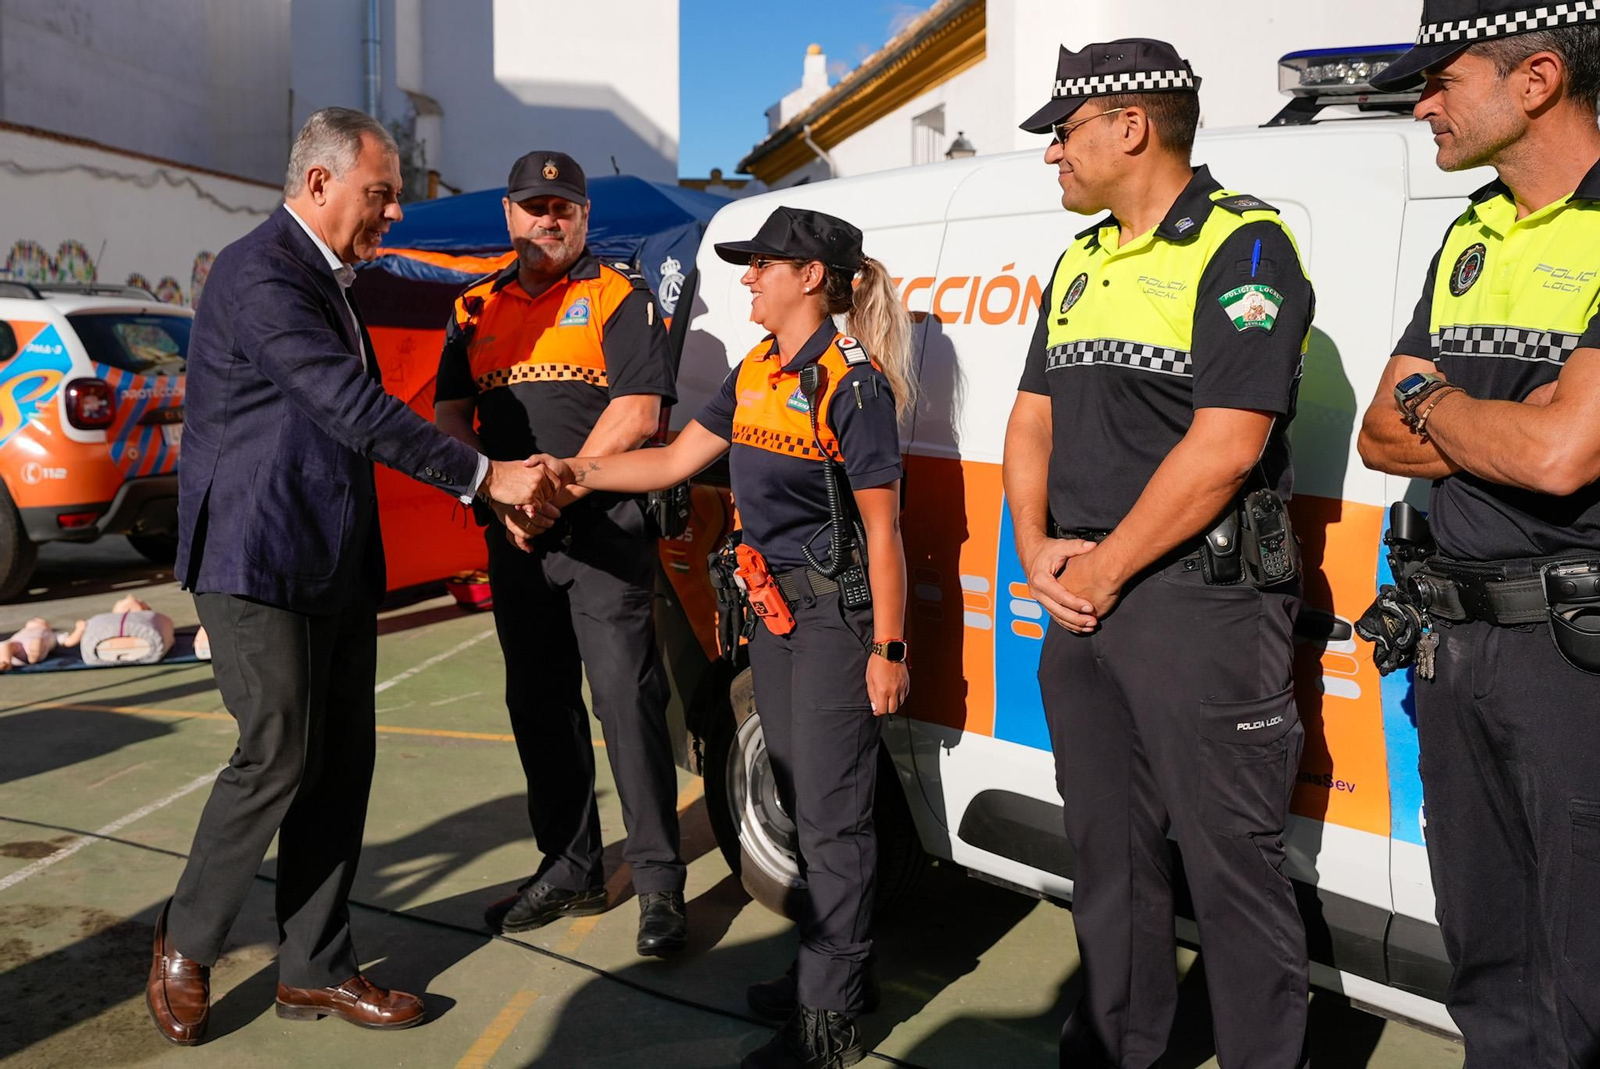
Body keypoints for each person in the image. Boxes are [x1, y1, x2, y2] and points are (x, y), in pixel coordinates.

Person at [147, 107, 560, 1046]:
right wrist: (485, 475)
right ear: (321, 182)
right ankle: (189, 937)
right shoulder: (262, 273)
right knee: (280, 750)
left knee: (342, 763)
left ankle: (315, 967)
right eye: (382, 195)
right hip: (255, 556)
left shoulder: (331, 279)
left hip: (328, 556)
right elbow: (347, 406)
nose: (394, 216)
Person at [1002, 39, 1315, 1069]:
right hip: (1083, 602)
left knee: (1232, 875)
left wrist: (1099, 567)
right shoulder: (1080, 259)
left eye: (1063, 131)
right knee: (1108, 861)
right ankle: (1118, 1051)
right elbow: (1030, 421)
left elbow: (1225, 446)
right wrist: (1038, 545)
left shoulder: (1245, 247)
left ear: (1129, 125)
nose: (1051, 151)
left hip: (1197, 607)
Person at [545, 206, 913, 1069]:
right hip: (774, 618)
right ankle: (833, 973)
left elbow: (885, 531)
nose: (746, 276)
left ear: (810, 277)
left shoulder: (849, 385)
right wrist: (576, 472)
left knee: (832, 820)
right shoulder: (756, 368)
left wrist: (889, 650)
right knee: (795, 792)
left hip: (835, 622)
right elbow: (672, 461)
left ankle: (831, 1017)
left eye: (762, 264)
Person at [1357, 6, 1600, 1065]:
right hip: (1455, 645)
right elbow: (1378, 426)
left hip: (1572, 653)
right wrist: (1503, 418)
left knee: (1588, 972)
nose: (1422, 103)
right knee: (1489, 966)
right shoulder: (1471, 228)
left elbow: (1562, 459)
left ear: (1537, 77)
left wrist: (1436, 405)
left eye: (1440, 79)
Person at [432, 150, 689, 957]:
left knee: (626, 703)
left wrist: (551, 496)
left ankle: (657, 884)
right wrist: (494, 493)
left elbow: (640, 413)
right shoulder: (471, 307)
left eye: (564, 206)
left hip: (601, 530)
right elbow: (448, 413)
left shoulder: (621, 296)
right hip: (511, 536)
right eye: (535, 205)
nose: (550, 217)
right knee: (537, 702)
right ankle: (571, 864)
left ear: (583, 217)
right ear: (509, 215)